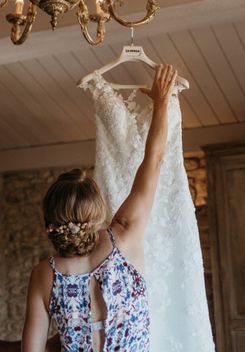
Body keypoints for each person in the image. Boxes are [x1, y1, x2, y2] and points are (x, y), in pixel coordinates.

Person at [22, 65, 178, 352]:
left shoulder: (44, 275)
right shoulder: (126, 235)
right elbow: (154, 161)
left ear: (49, 220)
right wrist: (162, 102)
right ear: (98, 211)